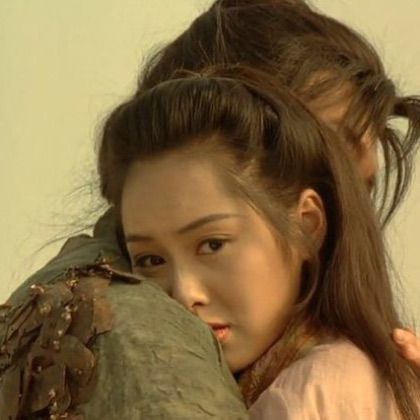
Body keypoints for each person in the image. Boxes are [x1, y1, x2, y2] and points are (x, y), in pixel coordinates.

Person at [1, 0, 419, 418]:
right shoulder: (119, 320)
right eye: (302, 148)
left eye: (359, 186)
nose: (351, 218)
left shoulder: (324, 383)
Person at [99, 64, 420, 417]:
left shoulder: (305, 396)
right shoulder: (343, 372)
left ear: (306, 226)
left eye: (213, 244)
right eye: (151, 260)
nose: (183, 295)